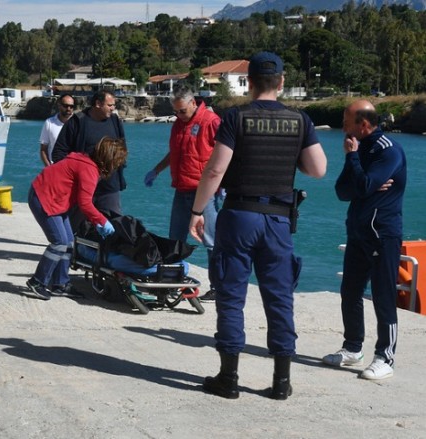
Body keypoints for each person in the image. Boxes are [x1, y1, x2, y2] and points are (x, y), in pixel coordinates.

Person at [188, 52, 327, 400]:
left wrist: (197, 210)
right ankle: (281, 381)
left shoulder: (236, 117)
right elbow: (318, 169)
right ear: (281, 82)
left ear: (249, 83)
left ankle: (229, 378)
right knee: (279, 298)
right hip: (278, 220)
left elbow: (216, 171)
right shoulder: (300, 120)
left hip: (239, 216)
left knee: (232, 296)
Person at [322, 99, 407, 380]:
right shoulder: (358, 147)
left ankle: (386, 356)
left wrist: (356, 167)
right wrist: (363, 183)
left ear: (364, 124)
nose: (343, 126)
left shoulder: (388, 151)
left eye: (347, 121)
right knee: (350, 291)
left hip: (382, 234)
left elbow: (362, 185)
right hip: (358, 231)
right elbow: (341, 191)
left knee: (383, 296)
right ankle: (352, 348)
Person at [144, 86, 222, 302]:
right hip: (182, 188)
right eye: (176, 112)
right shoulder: (179, 124)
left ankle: (218, 286)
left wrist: (223, 184)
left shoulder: (211, 122)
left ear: (193, 104)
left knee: (210, 239)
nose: (179, 115)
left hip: (205, 191)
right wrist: (157, 170)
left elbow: (226, 154)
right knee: (175, 238)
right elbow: (175, 152)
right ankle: (170, 281)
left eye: (182, 111)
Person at [26, 137, 127, 300]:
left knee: (69, 243)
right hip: (44, 197)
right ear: (110, 160)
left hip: (55, 198)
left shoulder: (86, 162)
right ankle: (38, 281)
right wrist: (102, 221)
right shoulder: (89, 170)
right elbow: (85, 203)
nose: (118, 166)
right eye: (118, 162)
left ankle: (60, 283)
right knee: (59, 242)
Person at [52, 90, 126, 217]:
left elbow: (122, 148)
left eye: (114, 105)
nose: (113, 109)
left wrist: (120, 164)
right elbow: (58, 153)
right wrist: (74, 174)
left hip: (109, 188)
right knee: (77, 229)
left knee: (114, 227)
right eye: (110, 105)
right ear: (98, 104)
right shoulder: (77, 121)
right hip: (82, 189)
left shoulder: (115, 121)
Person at [39, 94, 75, 167]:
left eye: (71, 106)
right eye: (65, 106)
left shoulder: (78, 123)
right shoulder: (49, 123)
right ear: (59, 105)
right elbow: (43, 149)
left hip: (73, 169)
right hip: (55, 168)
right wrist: (49, 168)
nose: (68, 108)